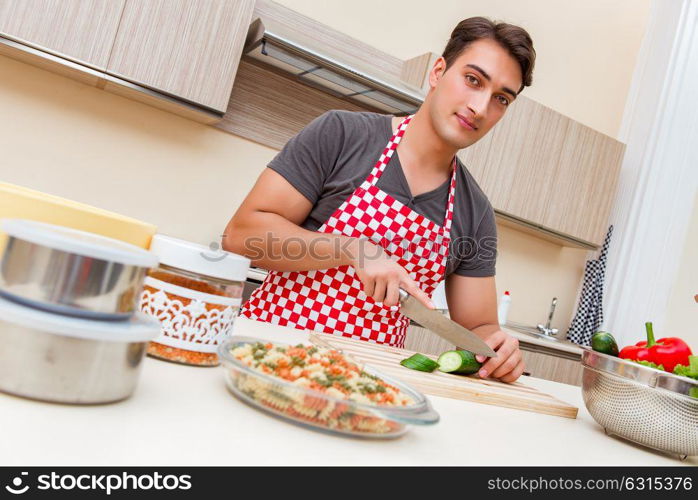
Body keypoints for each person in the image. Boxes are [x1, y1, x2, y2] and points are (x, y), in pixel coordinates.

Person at [223, 17, 536, 383]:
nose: (480, 108)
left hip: (370, 385)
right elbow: (241, 236)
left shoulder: (475, 212)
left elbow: (478, 328)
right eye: (472, 80)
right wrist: (353, 249)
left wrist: (499, 351)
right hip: (266, 356)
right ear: (438, 72)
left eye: (501, 98)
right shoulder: (341, 135)